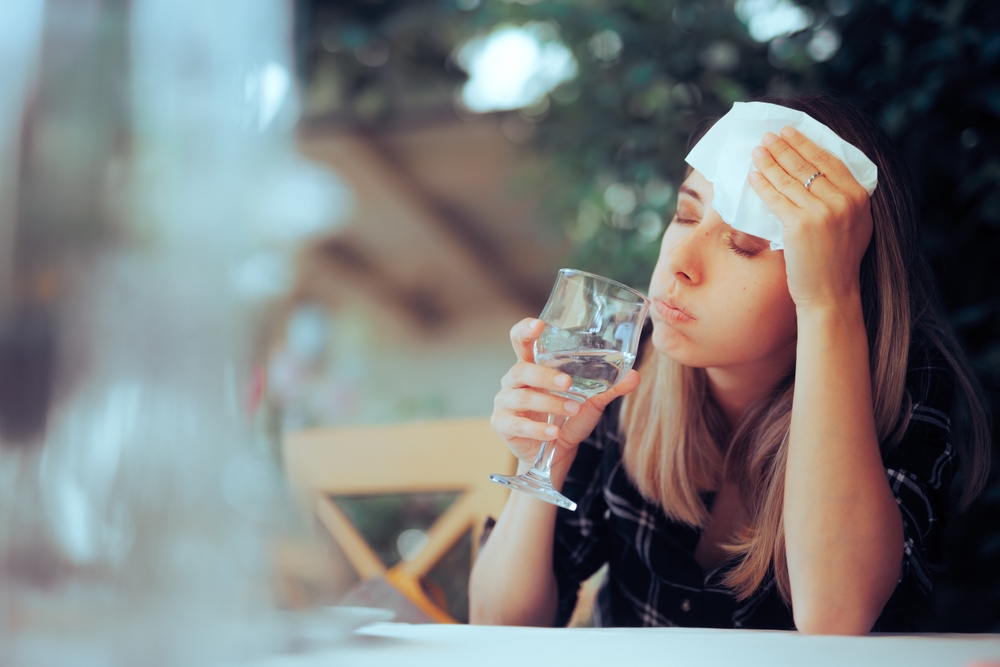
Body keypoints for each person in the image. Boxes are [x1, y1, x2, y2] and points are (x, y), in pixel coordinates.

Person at [468, 93, 991, 634]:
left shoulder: (903, 391)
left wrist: (830, 304)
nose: (680, 263)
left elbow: (836, 617)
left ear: (833, 275)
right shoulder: (623, 364)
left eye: (742, 244)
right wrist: (547, 460)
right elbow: (497, 627)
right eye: (684, 214)